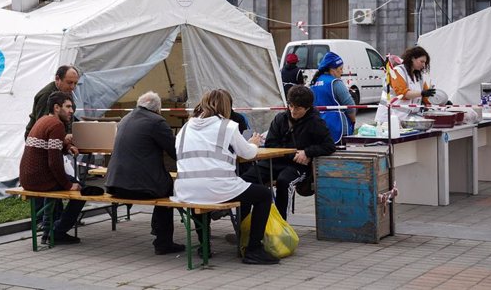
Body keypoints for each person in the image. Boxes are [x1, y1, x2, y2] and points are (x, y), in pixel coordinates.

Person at [171, 89, 278, 265]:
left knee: (200, 201)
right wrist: (253, 143)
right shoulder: (227, 125)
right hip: (218, 186)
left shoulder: (185, 127)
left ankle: (204, 245)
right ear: (227, 107)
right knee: (263, 195)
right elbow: (247, 153)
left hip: (185, 188)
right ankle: (253, 249)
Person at [105, 91, 185, 255]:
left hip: (114, 185)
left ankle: (157, 231)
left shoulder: (125, 119)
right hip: (138, 188)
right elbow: (175, 151)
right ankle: (163, 242)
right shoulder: (157, 121)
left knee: (163, 185)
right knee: (169, 188)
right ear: (158, 109)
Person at [242, 85, 335, 219]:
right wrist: (294, 154)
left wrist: (307, 152)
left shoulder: (316, 122)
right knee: (246, 179)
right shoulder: (280, 118)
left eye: (297, 108)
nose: (292, 111)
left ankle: (282, 224)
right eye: (290, 106)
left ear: (307, 108)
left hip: (298, 166)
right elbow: (270, 144)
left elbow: (329, 146)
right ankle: (243, 223)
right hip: (275, 161)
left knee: (284, 182)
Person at [20, 91, 85, 244]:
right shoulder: (57, 125)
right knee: (82, 190)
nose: (72, 111)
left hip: (27, 178)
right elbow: (54, 163)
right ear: (57, 107)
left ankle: (48, 234)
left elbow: (51, 147)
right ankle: (58, 232)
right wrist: (69, 185)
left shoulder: (43, 120)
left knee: (61, 190)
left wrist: (67, 146)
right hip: (41, 179)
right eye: (68, 107)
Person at [375, 46, 435, 124]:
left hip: (407, 118)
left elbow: (427, 96)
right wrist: (421, 93)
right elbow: (402, 94)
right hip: (389, 118)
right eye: (422, 61)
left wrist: (442, 101)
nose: (424, 65)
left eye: (425, 62)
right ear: (413, 59)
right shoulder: (397, 71)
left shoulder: (419, 77)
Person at [309, 52, 356, 143]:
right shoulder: (335, 82)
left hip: (318, 125)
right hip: (337, 127)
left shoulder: (314, 82)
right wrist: (353, 120)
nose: (342, 72)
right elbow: (350, 105)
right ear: (332, 70)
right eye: (340, 69)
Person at [25, 65, 81, 138]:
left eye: (75, 83)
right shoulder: (46, 95)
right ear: (57, 79)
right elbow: (43, 125)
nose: (72, 87)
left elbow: (69, 117)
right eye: (69, 82)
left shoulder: (66, 92)